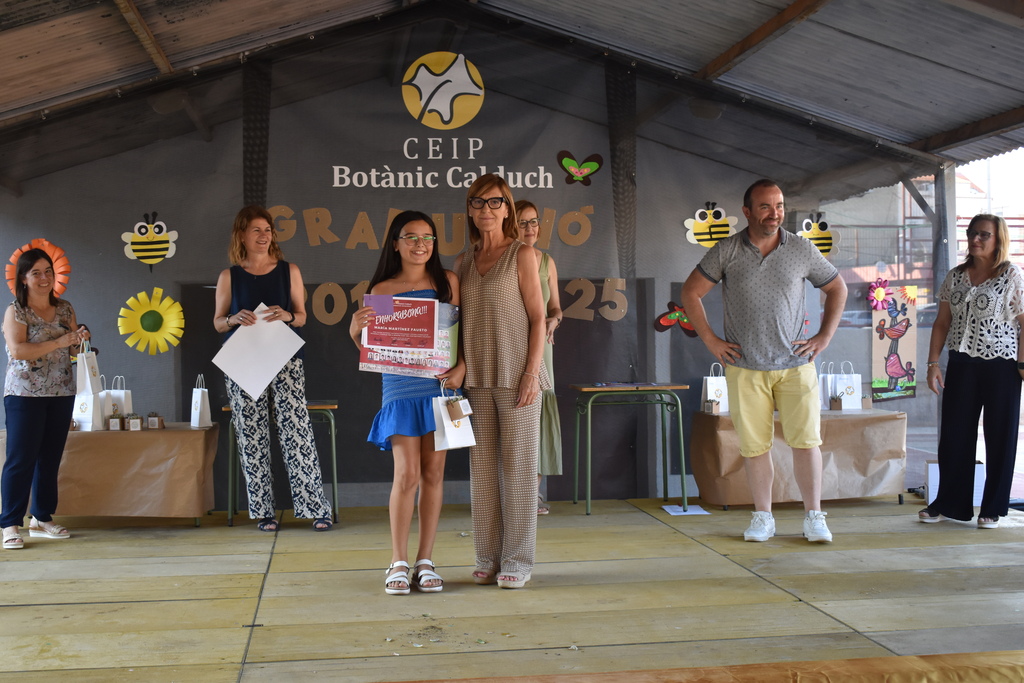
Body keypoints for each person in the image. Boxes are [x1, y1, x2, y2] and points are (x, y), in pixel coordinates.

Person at [681, 179, 847, 543]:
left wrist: (824, 337)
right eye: (765, 206)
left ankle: (814, 517)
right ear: (747, 211)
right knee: (755, 447)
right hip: (745, 367)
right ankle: (763, 517)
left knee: (807, 443)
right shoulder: (726, 250)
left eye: (780, 205)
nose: (775, 213)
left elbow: (837, 287)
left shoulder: (801, 248)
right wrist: (710, 340)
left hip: (795, 365)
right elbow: (690, 292)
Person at [349, 210, 465, 595]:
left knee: (434, 475)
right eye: (411, 237)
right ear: (395, 244)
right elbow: (376, 349)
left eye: (428, 237)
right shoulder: (382, 290)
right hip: (400, 388)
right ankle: (397, 561)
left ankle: (425, 561)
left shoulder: (448, 282)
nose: (421, 244)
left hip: (442, 388)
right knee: (407, 475)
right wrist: (355, 332)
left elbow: (464, 333)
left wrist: (463, 367)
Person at [213, 205, 333, 532]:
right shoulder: (229, 276)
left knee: (297, 430)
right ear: (241, 235)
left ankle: (316, 508)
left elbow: (302, 316)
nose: (264, 235)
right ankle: (263, 512)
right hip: (242, 361)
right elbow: (218, 323)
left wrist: (287, 316)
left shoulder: (288, 271)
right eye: (256, 230)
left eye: (267, 230)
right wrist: (233, 319)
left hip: (285, 358)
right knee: (251, 434)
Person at [456, 173, 549, 588]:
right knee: (482, 472)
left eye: (495, 202)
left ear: (507, 208)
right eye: (478, 202)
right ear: (469, 209)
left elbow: (539, 318)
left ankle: (518, 560)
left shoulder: (523, 254)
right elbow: (456, 325)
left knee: (519, 469)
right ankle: (487, 556)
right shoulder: (462, 262)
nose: (486, 210)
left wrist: (531, 373)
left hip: (518, 377)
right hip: (476, 378)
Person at [921, 214, 1024, 529]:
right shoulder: (956, 276)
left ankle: (993, 507)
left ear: (998, 239)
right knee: (954, 435)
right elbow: (942, 322)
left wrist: (1022, 363)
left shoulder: (1011, 275)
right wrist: (933, 363)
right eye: (971, 233)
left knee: (1000, 436)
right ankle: (948, 502)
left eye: (983, 234)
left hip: (1002, 365)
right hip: (962, 363)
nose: (975, 239)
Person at [2, 248, 90, 549]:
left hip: (62, 391)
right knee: (20, 458)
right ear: (23, 278)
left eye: (48, 271)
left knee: (50, 457)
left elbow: (73, 351)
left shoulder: (65, 308)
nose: (44, 278)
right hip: (24, 394)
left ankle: (41, 517)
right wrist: (59, 341)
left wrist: (80, 340)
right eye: (36, 272)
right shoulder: (16, 311)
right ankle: (10, 523)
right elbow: (18, 350)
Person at [514, 199, 563, 515]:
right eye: (523, 222)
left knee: (539, 414)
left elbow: (555, 307)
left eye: (534, 221)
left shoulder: (547, 261)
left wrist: (554, 319)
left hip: (542, 348)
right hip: (510, 345)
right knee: (513, 412)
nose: (530, 228)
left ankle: (533, 494)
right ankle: (512, 494)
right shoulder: (505, 260)